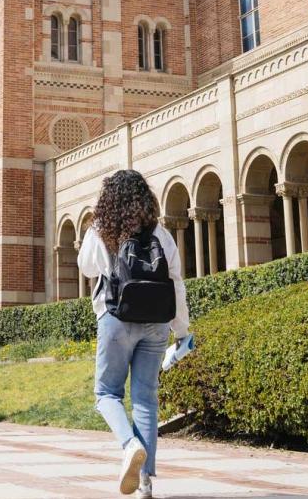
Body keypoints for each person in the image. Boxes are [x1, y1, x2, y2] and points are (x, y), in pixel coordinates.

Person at [77, 169, 189, 499]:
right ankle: (145, 484)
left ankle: (129, 445)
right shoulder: (160, 232)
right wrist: (181, 330)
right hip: (156, 322)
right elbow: (176, 282)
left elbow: (87, 267)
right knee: (145, 398)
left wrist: (95, 232)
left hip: (115, 318)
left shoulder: (102, 229)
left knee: (107, 393)